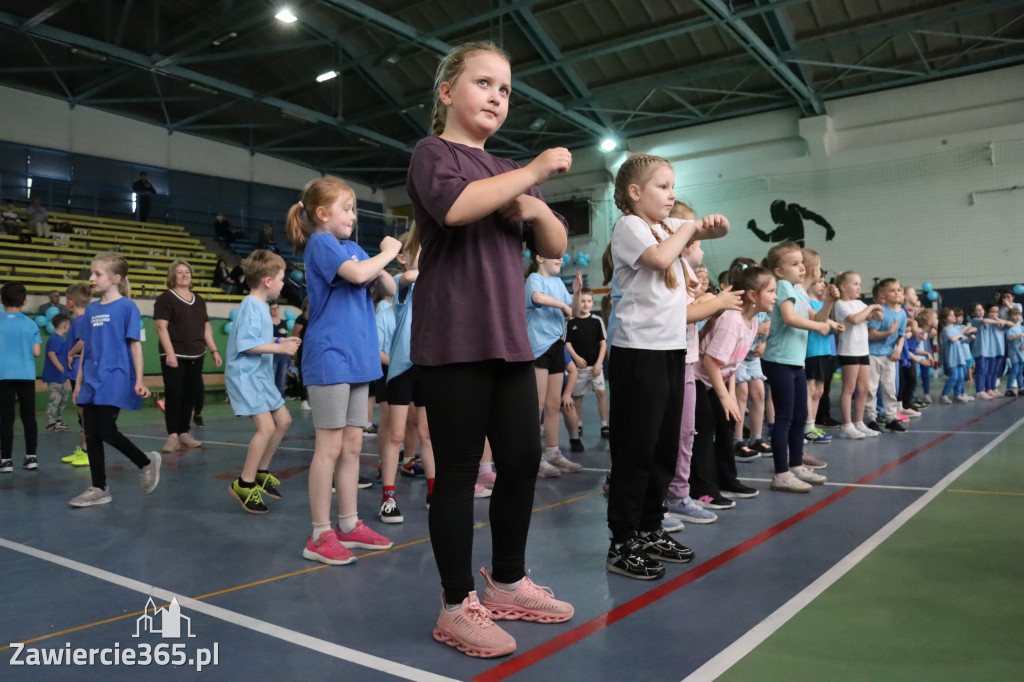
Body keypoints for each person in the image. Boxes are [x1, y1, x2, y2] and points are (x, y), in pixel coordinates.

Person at [407, 41, 575, 657]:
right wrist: (529, 175)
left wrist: (534, 205)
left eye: (505, 90)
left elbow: (553, 242)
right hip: (452, 339)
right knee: (454, 473)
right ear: (448, 92)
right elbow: (454, 210)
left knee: (523, 458)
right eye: (485, 84)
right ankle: (455, 607)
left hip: (508, 342)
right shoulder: (435, 154)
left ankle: (507, 580)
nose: (497, 98)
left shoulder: (503, 168)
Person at [606, 153, 730, 579]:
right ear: (635, 193)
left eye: (673, 186)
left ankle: (650, 527)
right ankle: (622, 539)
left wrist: (710, 225)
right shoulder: (630, 227)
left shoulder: (668, 226)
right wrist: (691, 228)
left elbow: (719, 230)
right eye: (662, 186)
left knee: (662, 446)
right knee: (635, 449)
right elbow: (660, 260)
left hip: (671, 350)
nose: (671, 194)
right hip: (638, 352)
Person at [285, 177, 398, 566]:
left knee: (352, 446)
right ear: (322, 214)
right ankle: (320, 534)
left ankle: (349, 525)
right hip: (330, 356)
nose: (352, 216)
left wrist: (381, 259)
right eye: (346, 209)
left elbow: (389, 287)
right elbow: (358, 276)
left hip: (358, 357)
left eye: (353, 209)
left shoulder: (350, 247)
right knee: (329, 447)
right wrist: (389, 252)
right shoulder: (321, 244)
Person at [664, 215, 743, 523]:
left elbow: (722, 228)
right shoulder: (670, 264)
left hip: (686, 358)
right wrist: (714, 301)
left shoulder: (683, 269)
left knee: (687, 433)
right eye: (698, 246)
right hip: (671, 358)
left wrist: (706, 301)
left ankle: (679, 493)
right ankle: (661, 498)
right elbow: (679, 313)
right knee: (665, 435)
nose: (702, 254)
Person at [68, 253, 161, 507]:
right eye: (92, 273)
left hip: (116, 375)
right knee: (92, 433)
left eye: (97, 274)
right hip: (91, 378)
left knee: (106, 430)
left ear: (116, 278)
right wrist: (78, 383)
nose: (91, 278)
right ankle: (99, 488)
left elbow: (135, 346)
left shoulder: (127, 307)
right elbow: (87, 348)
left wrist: (139, 379)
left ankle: (146, 462)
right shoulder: (92, 309)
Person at [688, 263, 776, 510]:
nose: (775, 296)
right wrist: (725, 397)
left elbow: (731, 365)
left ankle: (726, 480)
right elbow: (710, 362)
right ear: (752, 296)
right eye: (770, 291)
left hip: (713, 379)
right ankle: (701, 490)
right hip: (696, 378)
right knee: (704, 429)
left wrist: (729, 396)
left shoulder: (753, 322)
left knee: (727, 423)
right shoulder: (731, 320)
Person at [760, 242, 840, 493]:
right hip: (779, 360)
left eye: (801, 263)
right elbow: (790, 318)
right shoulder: (783, 286)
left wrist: (827, 301)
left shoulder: (799, 291)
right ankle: (781, 473)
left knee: (799, 416)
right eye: (794, 264)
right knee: (784, 418)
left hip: (796, 362)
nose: (801, 268)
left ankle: (796, 465)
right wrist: (819, 327)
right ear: (779, 271)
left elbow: (818, 318)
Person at [224, 250, 299, 513]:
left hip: (260, 376)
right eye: (280, 278)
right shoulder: (250, 306)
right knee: (266, 428)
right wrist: (278, 349)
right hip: (246, 377)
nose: (283, 284)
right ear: (267, 281)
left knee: (284, 420)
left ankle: (260, 471)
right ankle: (244, 484)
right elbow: (246, 345)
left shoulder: (261, 307)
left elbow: (258, 338)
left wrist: (280, 341)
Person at [378, 229, 439, 523]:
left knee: (427, 433)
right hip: (403, 368)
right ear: (402, 258)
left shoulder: (435, 287)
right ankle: (388, 497)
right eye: (420, 250)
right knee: (397, 435)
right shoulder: (404, 285)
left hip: (428, 367)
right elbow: (409, 278)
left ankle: (433, 491)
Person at [154, 260, 220, 453]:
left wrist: (214, 350)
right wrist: (170, 353)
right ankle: (172, 435)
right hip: (175, 354)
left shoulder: (199, 300)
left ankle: (184, 432)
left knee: (190, 395)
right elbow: (161, 327)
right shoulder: (166, 298)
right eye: (180, 272)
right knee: (174, 394)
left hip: (197, 353)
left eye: (187, 272)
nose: (184, 275)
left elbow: (206, 327)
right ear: (172, 276)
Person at [526, 253, 582, 475]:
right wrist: (563, 305)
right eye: (555, 256)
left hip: (556, 346)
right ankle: (534, 457)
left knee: (552, 404)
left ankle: (553, 452)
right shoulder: (534, 278)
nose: (561, 260)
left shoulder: (558, 282)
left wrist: (576, 293)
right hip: (538, 347)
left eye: (562, 256)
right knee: (537, 405)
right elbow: (538, 298)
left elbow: (575, 312)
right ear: (540, 257)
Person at [833, 272, 884, 439]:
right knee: (849, 388)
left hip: (863, 350)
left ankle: (859, 422)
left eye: (859, 284)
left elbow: (877, 317)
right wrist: (871, 308)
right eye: (855, 284)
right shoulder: (840, 304)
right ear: (843, 287)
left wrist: (876, 309)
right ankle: (847, 424)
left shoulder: (860, 303)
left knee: (864, 389)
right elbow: (855, 320)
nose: (859, 287)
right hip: (849, 350)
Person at [800, 249, 839, 459]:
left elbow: (822, 320)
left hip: (824, 351)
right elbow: (816, 322)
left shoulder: (822, 304)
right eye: (820, 280)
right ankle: (807, 426)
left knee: (819, 390)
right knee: (810, 389)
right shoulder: (803, 299)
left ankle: (812, 425)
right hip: (810, 350)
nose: (822, 283)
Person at [0, 282, 42, 473]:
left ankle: (6, 460)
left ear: (1, 300)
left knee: (6, 419)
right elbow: (36, 352)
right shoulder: (30, 323)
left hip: (3, 376)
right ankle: (31, 457)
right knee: (28, 417)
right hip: (26, 375)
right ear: (25, 301)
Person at [565, 287, 609, 447]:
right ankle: (579, 423)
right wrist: (575, 358)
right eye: (582, 301)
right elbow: (567, 343)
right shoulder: (571, 321)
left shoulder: (597, 321)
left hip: (595, 368)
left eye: (589, 301)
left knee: (601, 394)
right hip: (579, 370)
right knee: (577, 398)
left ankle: (604, 424)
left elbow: (603, 343)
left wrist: (599, 363)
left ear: (592, 302)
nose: (586, 304)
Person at [864, 279, 909, 433]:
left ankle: (891, 417)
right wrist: (889, 332)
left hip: (889, 356)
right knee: (871, 388)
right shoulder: (880, 311)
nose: (896, 293)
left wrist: (898, 349)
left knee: (890, 388)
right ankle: (871, 418)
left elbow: (901, 335)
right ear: (883, 294)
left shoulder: (902, 313)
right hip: (873, 355)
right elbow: (871, 334)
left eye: (899, 290)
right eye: (892, 290)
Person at [61, 283, 92, 466]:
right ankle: (84, 448)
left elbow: (83, 341)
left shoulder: (81, 320)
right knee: (80, 410)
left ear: (70, 302)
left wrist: (71, 353)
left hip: (79, 371)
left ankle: (88, 450)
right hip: (75, 372)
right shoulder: (81, 319)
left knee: (83, 410)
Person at [747, 200, 835, 247]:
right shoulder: (793, 208)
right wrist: (828, 227)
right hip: (798, 247)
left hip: (794, 249)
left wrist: (754, 228)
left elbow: (766, 238)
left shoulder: (785, 228)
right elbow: (813, 216)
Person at [44, 314, 72, 432]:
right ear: (66, 325)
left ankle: (58, 420)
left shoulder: (61, 339)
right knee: (55, 399)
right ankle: (51, 422)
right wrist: (60, 367)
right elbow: (51, 354)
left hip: (61, 377)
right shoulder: (55, 338)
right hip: (53, 376)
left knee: (63, 397)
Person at [939, 308, 970, 404]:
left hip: (960, 357)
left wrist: (970, 338)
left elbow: (964, 340)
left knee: (961, 377)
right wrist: (959, 336)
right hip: (952, 358)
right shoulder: (945, 330)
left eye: (953, 315)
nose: (953, 317)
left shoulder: (956, 329)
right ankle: (944, 394)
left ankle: (957, 395)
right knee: (954, 377)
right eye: (950, 315)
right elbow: (952, 339)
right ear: (944, 319)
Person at [269, 302, 290, 399]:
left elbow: (285, 337)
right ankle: (271, 402)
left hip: (283, 353)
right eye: (272, 308)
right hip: (271, 353)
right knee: (271, 378)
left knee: (281, 380)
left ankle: (280, 402)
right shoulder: (267, 322)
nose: (274, 310)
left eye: (276, 308)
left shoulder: (283, 323)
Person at [1003, 308, 1024, 396]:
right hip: (1014, 353)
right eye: (1015, 315)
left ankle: (1021, 388)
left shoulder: (1021, 327)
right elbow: (1009, 338)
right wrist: (1019, 336)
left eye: (1019, 315)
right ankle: (1009, 389)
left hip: (1022, 353)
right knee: (1014, 371)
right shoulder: (1010, 329)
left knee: (1020, 371)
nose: (1017, 317)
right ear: (1010, 316)